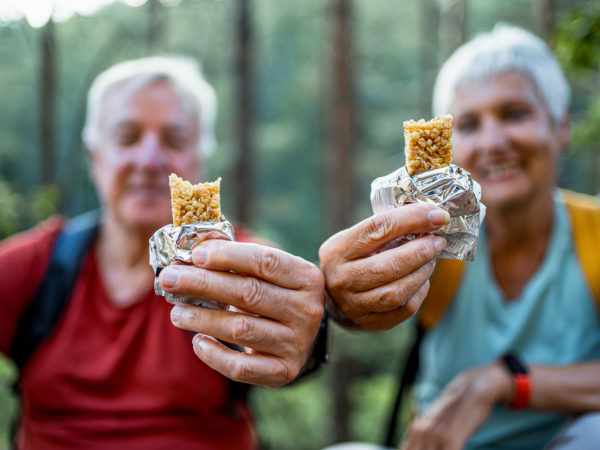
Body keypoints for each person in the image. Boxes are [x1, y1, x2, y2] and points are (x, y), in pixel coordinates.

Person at [0, 56, 326, 449]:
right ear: (94, 156)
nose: (150, 160)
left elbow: (300, 324)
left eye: (174, 140)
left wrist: (308, 337)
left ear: (199, 159)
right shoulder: (36, 268)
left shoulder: (238, 262)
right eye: (127, 137)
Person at [320, 24, 600, 449]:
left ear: (560, 125)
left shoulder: (593, 234)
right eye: (468, 125)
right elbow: (359, 310)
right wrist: (336, 300)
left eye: (515, 114)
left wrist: (501, 382)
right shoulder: (433, 239)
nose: (492, 141)